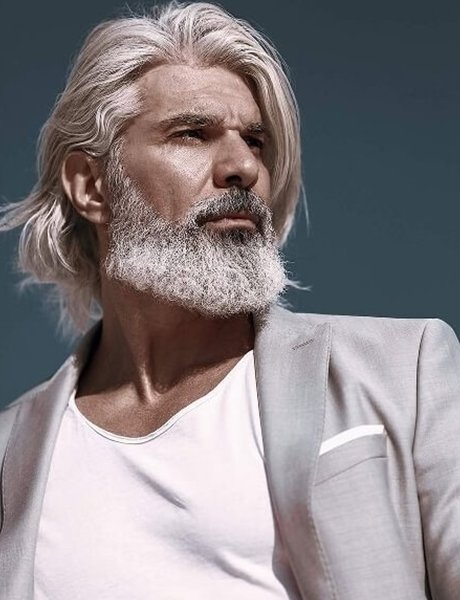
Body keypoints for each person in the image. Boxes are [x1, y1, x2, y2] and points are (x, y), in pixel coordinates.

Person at [0, 2, 459, 599]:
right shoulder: (10, 454)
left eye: (256, 141)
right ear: (92, 186)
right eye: (192, 133)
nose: (243, 166)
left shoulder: (404, 372)